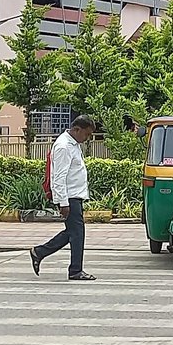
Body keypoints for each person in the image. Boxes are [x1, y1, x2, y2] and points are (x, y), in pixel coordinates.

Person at [31, 116, 97, 281]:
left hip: (75, 196)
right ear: (77, 130)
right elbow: (58, 177)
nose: (86, 139)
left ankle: (39, 252)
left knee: (73, 232)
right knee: (77, 233)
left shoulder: (73, 144)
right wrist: (63, 202)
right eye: (86, 135)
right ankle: (75, 270)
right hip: (69, 197)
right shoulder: (63, 146)